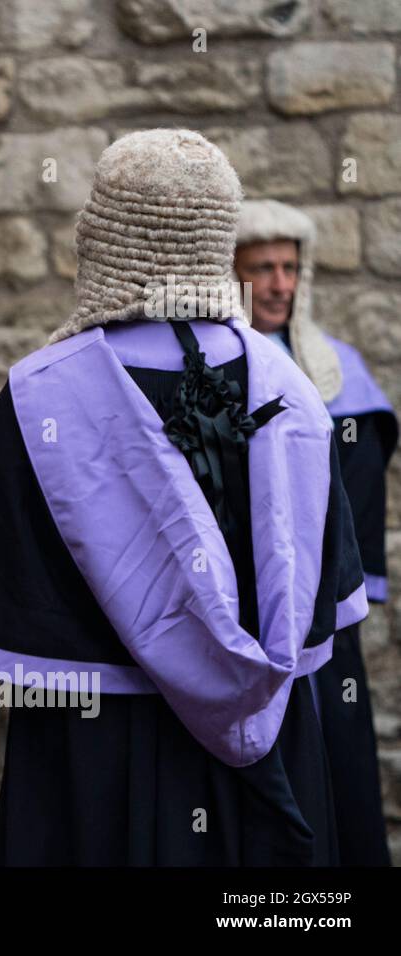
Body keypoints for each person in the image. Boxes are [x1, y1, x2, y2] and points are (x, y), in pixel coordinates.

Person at [0, 130, 366, 865]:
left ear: (103, 238)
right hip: (265, 752)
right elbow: (330, 599)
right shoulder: (292, 392)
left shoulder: (47, 392)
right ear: (217, 239)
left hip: (95, 754)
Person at [234, 199, 395, 865]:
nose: (280, 284)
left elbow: (357, 491)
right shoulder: (215, 364)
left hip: (324, 611)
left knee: (336, 762)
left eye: (290, 268)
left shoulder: (336, 369)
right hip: (242, 619)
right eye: (263, 268)